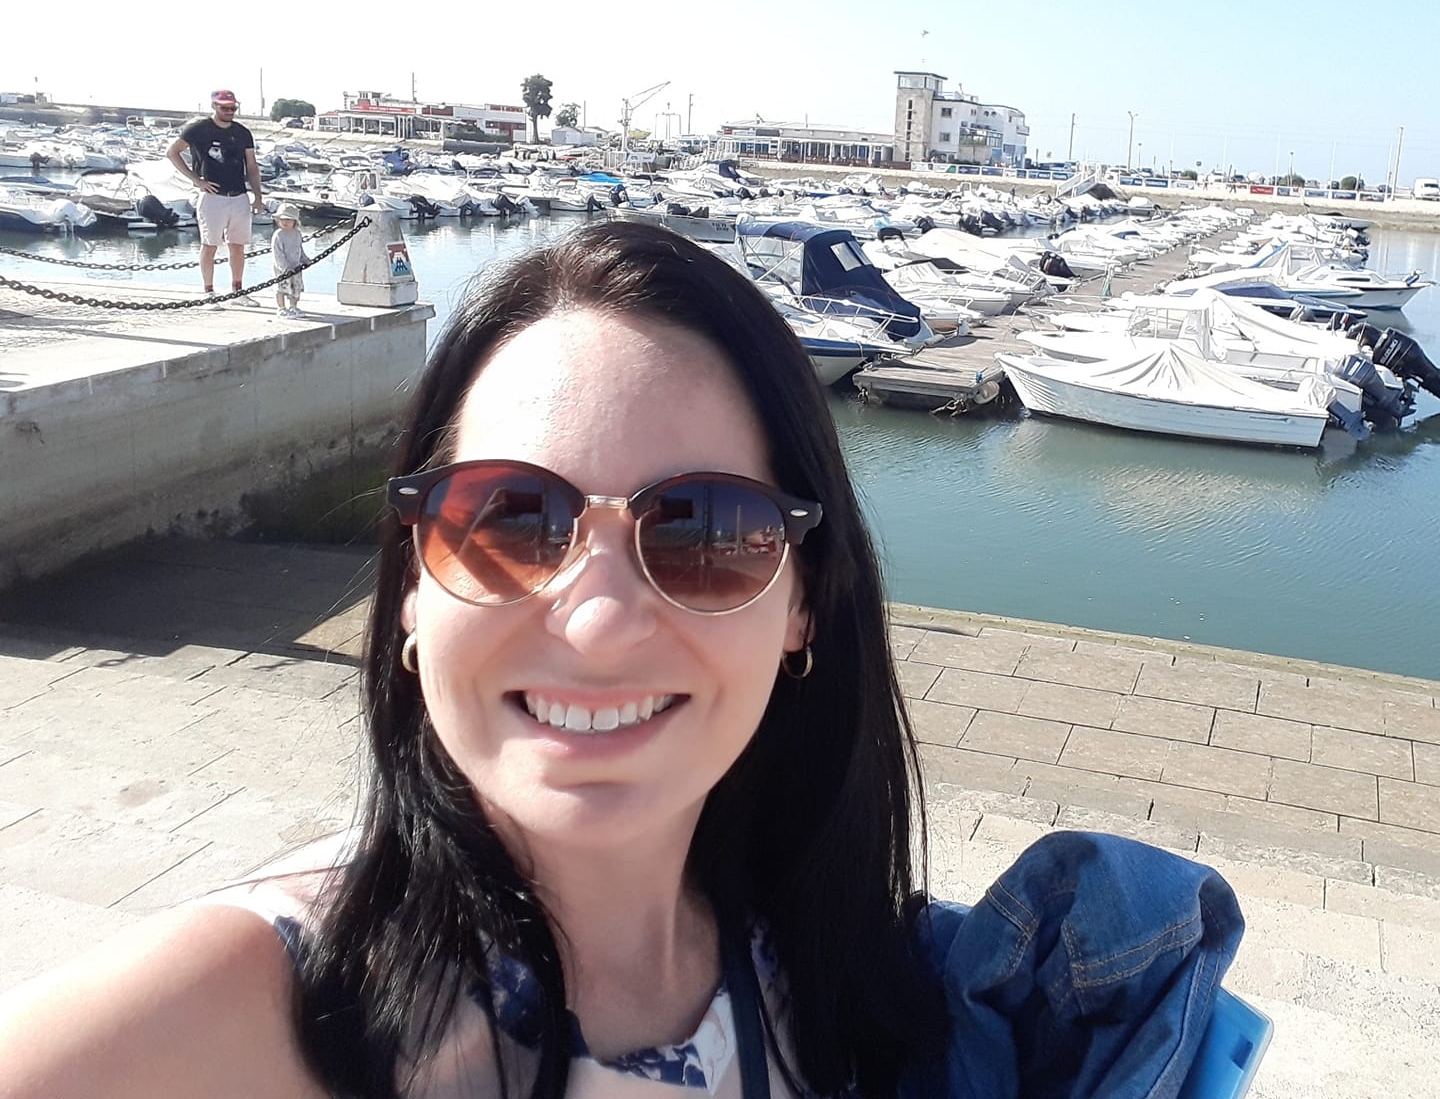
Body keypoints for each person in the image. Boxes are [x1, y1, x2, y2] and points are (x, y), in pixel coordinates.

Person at [0, 222, 1244, 1099]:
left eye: (702, 533)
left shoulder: (854, 991)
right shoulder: (236, 1018)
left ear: (804, 604)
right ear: (413, 591)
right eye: (506, 521)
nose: (595, 623)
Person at [166, 89, 266, 300]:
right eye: (225, 108)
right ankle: (209, 291)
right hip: (212, 196)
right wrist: (196, 180)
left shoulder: (242, 132)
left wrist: (258, 196)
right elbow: (172, 152)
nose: (229, 111)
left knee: (237, 246)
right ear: (214, 106)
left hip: (239, 195)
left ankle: (238, 291)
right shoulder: (198, 129)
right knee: (210, 245)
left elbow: (251, 166)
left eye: (233, 108)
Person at [271, 202, 307, 318]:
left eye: (288, 219)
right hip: (282, 269)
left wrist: (305, 259)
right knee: (281, 288)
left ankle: (293, 306)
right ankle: (281, 308)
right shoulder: (278, 235)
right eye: (282, 219)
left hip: (296, 266)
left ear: (295, 221)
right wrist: (284, 267)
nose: (285, 222)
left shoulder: (297, 234)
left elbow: (299, 248)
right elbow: (277, 253)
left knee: (296, 288)